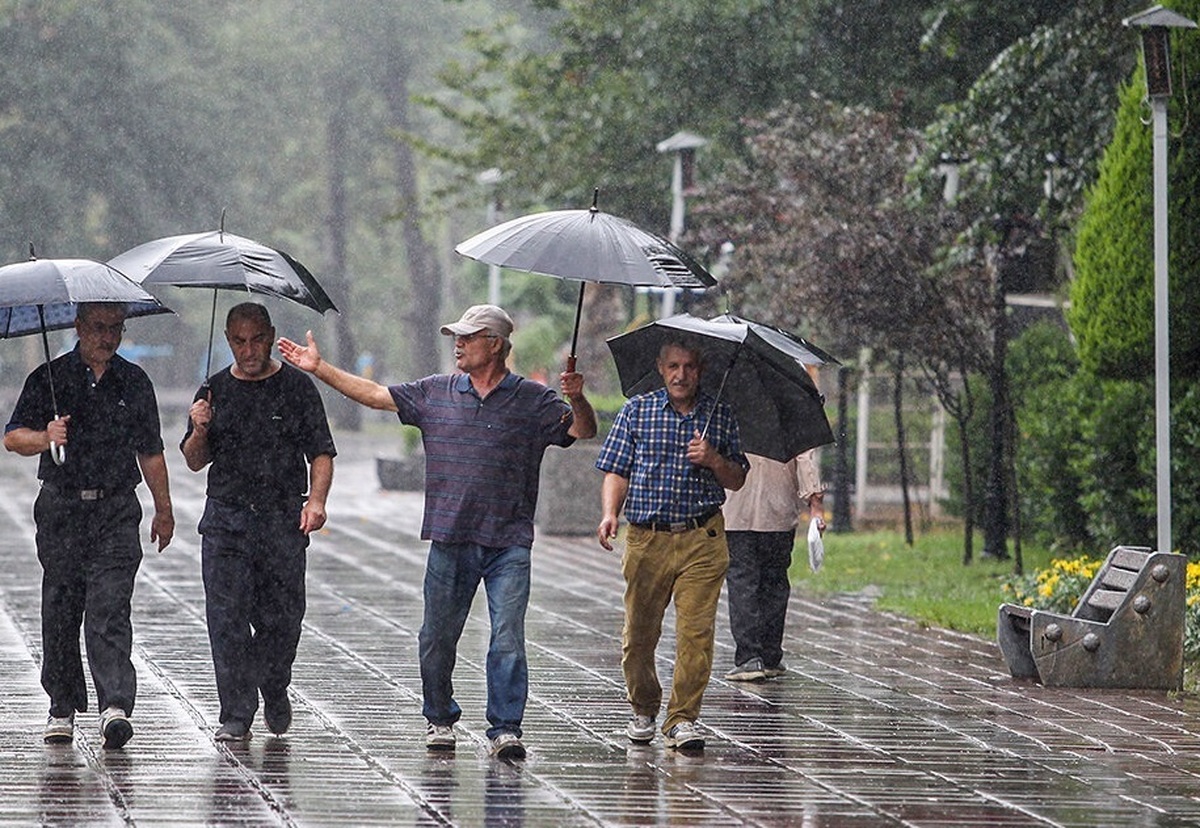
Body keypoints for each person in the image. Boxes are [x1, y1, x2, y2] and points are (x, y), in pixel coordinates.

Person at [277, 303, 597, 760]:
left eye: (468, 337)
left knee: (507, 636)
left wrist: (577, 397)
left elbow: (582, 430)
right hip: (450, 537)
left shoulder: (533, 400)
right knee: (436, 637)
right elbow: (373, 395)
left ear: (497, 345)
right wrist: (319, 368)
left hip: (508, 542)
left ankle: (505, 728)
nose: (458, 344)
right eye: (456, 337)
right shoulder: (436, 392)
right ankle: (440, 717)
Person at [3, 302, 174, 749]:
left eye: (116, 328)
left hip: (116, 509)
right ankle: (61, 704)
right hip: (62, 510)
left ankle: (114, 704)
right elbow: (12, 437)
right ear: (78, 327)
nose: (108, 336)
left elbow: (150, 451)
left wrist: (164, 508)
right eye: (99, 328)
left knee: (109, 606)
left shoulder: (134, 382)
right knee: (61, 607)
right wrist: (46, 437)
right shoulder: (48, 378)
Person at [181, 302, 336, 742]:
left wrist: (317, 501)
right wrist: (199, 429)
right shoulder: (211, 390)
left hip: (282, 520)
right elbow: (194, 461)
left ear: (270, 335)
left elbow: (321, 452)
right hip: (227, 521)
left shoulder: (296, 388)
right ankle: (235, 712)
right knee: (226, 619)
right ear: (229, 340)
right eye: (239, 341)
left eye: (257, 339)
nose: (249, 350)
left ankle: (274, 684)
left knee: (282, 619)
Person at [595, 338, 748, 752]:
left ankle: (682, 718)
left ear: (701, 370)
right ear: (661, 369)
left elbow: (737, 478)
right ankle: (643, 707)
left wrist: (714, 459)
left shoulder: (719, 415)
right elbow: (615, 469)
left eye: (690, 367)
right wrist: (611, 512)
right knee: (639, 634)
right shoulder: (637, 411)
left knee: (696, 635)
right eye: (674, 367)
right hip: (647, 538)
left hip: (703, 538)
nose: (682, 375)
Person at [722, 450, 825, 682]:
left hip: (737, 511)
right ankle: (770, 655)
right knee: (775, 582)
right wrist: (815, 504)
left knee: (742, 582)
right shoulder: (789, 417)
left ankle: (749, 656)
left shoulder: (733, 416)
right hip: (778, 510)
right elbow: (804, 458)